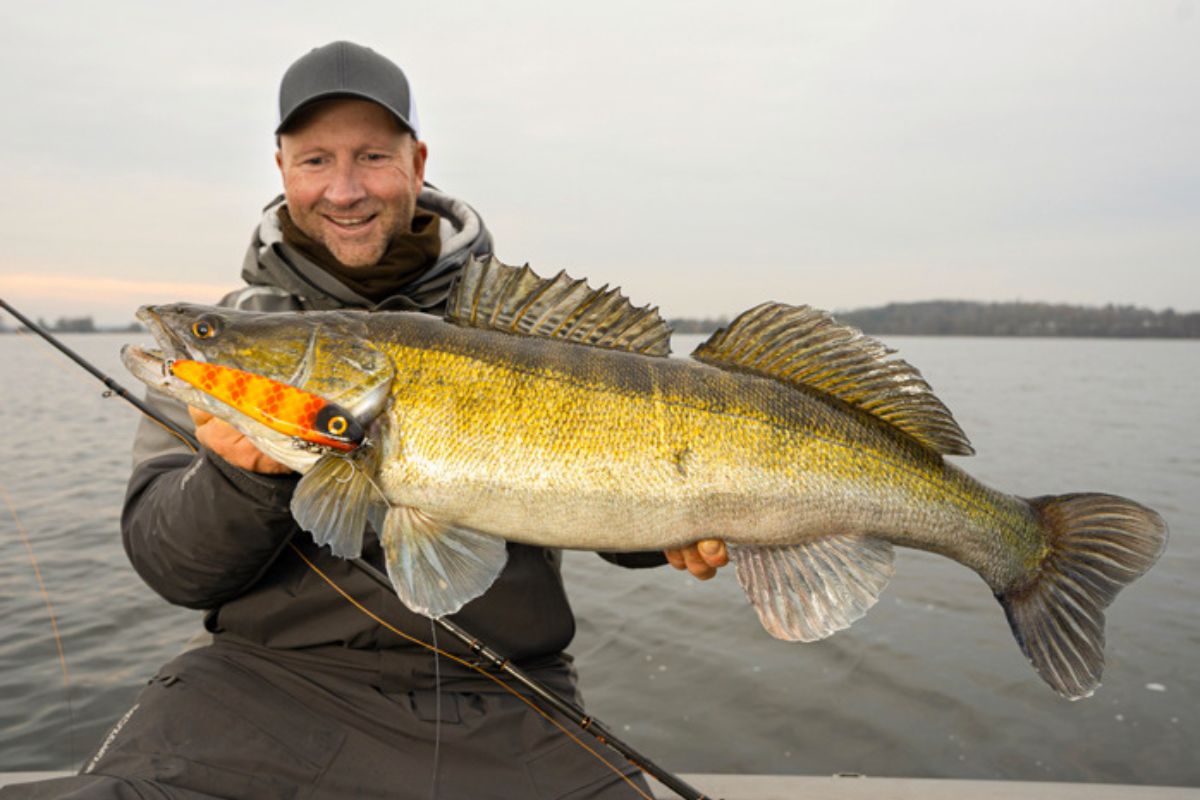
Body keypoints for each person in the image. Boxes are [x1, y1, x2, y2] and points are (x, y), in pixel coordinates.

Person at [3, 42, 727, 800]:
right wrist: (240, 477)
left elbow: (631, 499)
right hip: (263, 689)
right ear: (281, 169)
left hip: (512, 696)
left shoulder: (522, 333)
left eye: (372, 156)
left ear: (417, 163)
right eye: (315, 161)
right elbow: (173, 568)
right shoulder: (228, 353)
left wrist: (686, 526)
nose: (344, 189)